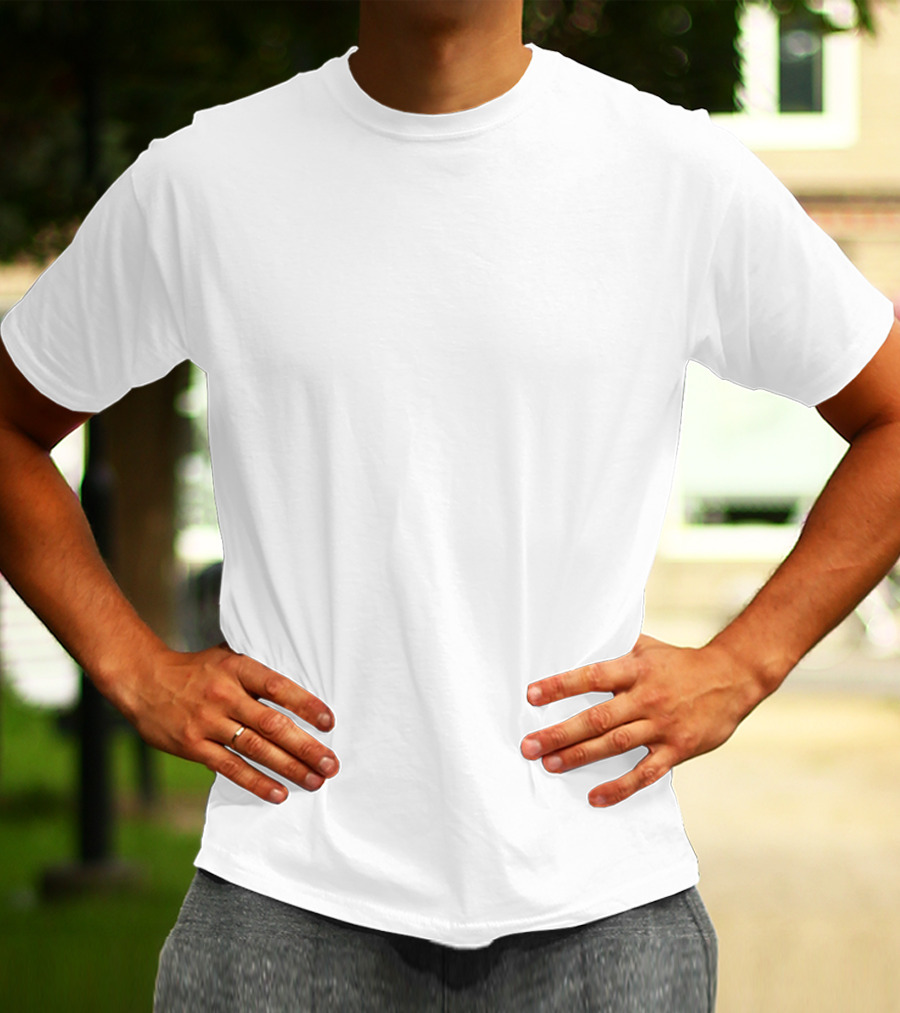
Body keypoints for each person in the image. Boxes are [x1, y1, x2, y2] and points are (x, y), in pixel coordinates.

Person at [1, 1, 898, 1009]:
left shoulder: (673, 171)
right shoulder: (205, 181)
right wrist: (134, 668)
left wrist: (745, 663)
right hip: (284, 898)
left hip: (599, 910)